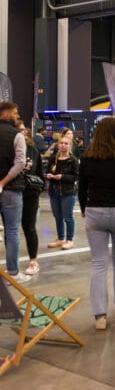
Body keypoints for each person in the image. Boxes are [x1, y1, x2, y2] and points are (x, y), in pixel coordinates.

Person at [78, 117, 115, 330]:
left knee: (98, 263)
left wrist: (85, 209)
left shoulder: (87, 157)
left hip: (95, 211)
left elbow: (82, 189)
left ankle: (99, 315)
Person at [0, 102, 28, 283]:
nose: (17, 115)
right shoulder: (17, 135)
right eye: (15, 113)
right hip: (11, 190)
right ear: (6, 113)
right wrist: (2, 182)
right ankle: (13, 272)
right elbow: (20, 163)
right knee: (12, 231)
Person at [17, 121, 45, 275]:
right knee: (12, 229)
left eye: (24, 130)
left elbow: (40, 172)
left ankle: (33, 261)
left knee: (29, 227)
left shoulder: (32, 150)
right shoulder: (9, 148)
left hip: (30, 194)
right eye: (19, 130)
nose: (22, 133)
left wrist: (38, 188)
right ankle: (12, 264)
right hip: (12, 192)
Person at [45, 134, 80, 250]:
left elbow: (75, 177)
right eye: (61, 143)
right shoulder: (53, 158)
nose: (63, 145)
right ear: (58, 145)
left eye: (66, 143)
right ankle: (60, 238)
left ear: (70, 146)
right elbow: (48, 171)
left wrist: (62, 177)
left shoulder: (73, 160)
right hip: (54, 191)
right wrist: (49, 175)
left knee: (68, 217)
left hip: (67, 192)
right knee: (57, 216)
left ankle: (69, 239)